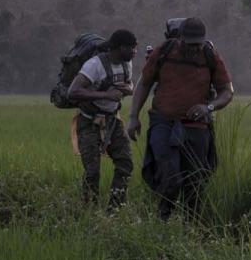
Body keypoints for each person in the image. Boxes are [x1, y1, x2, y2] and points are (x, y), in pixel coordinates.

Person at [127, 18, 234, 220]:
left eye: (197, 45)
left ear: (203, 41)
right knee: (170, 176)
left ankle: (190, 226)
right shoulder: (164, 52)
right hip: (164, 123)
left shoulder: (210, 56)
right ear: (180, 39)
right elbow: (144, 84)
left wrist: (208, 107)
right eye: (188, 44)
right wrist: (133, 117)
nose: (193, 49)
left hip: (197, 127)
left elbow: (227, 92)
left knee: (195, 181)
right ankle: (163, 220)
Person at [67, 29, 138, 211]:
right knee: (92, 172)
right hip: (90, 122)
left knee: (125, 164)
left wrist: (127, 89)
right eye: (132, 48)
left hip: (113, 120)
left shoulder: (126, 63)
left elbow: (129, 83)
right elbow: (73, 91)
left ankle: (114, 211)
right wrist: (105, 94)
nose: (135, 52)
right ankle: (90, 213)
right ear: (120, 47)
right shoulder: (94, 65)